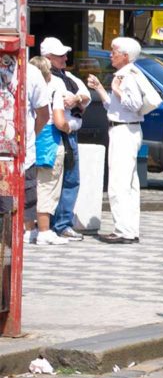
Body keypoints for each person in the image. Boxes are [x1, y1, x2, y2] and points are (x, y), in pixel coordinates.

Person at [86, 37, 160, 244]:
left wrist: (117, 89)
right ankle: (129, 228)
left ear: (125, 55)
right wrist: (101, 88)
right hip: (126, 129)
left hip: (124, 131)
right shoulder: (126, 74)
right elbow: (113, 106)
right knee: (129, 182)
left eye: (114, 51)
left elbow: (133, 104)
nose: (111, 54)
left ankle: (123, 230)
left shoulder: (127, 76)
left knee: (120, 183)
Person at [42, 37, 90, 241]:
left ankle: (59, 223)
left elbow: (85, 95)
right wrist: (67, 125)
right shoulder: (47, 79)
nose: (65, 58)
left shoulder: (68, 76)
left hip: (69, 131)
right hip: (58, 131)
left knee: (69, 179)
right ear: (48, 58)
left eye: (64, 54)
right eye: (60, 55)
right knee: (50, 180)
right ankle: (50, 224)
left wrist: (77, 98)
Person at [29, 56, 68, 245]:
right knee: (47, 186)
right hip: (50, 141)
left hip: (29, 142)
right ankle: (44, 230)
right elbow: (59, 121)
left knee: (30, 186)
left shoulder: (23, 87)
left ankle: (29, 229)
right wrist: (71, 127)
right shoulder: (54, 90)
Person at [20, 56, 51, 243]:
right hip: (23, 149)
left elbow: (43, 114)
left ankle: (27, 229)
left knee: (22, 202)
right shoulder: (32, 73)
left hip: (22, 154)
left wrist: (28, 137)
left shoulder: (31, 73)